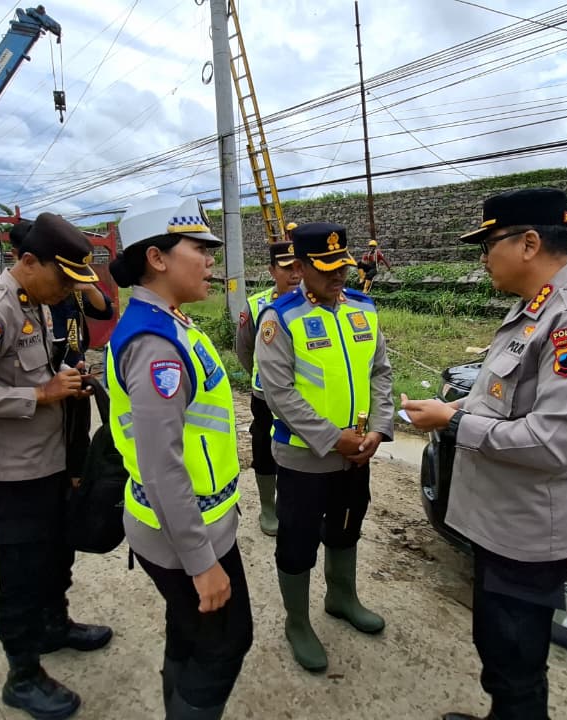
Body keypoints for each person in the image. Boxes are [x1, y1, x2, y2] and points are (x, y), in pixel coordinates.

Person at [401, 188, 567, 720]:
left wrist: (454, 421)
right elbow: (509, 394)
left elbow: (555, 441)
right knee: (500, 648)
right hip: (503, 522)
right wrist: (462, 403)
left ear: (529, 242)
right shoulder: (538, 306)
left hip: (529, 531)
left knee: (516, 658)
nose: (484, 257)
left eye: (489, 243)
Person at [0, 212, 114, 720]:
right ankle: (22, 672)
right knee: (22, 570)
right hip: (12, 473)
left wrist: (62, 374)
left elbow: (28, 366)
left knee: (57, 552)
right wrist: (41, 393)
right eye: (63, 278)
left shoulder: (33, 301)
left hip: (49, 460)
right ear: (29, 261)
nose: (68, 290)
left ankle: (54, 625)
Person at [106, 195, 252, 719]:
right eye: (201, 249)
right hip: (183, 533)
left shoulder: (171, 321)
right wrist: (201, 562)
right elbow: (161, 464)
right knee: (226, 644)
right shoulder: (154, 343)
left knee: (189, 633)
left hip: (198, 519)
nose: (212, 260)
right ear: (157, 258)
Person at [254, 222, 394, 673]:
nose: (339, 276)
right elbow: (279, 394)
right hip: (303, 458)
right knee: (297, 542)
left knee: (347, 527)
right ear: (299, 267)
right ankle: (297, 622)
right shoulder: (280, 318)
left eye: (343, 266)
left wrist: (378, 429)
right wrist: (333, 438)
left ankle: (342, 597)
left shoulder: (364, 308)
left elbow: (381, 372)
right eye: (327, 267)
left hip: (357, 455)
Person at [7, 219, 115, 481]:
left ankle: (78, 480)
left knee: (78, 432)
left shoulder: (71, 288)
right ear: (24, 259)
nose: (62, 285)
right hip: (42, 382)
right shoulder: (11, 305)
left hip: (73, 368)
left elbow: (105, 310)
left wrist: (88, 286)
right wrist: (42, 391)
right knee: (54, 437)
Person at [233, 240, 301, 536]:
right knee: (264, 447)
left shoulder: (315, 303)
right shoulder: (257, 306)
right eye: (286, 268)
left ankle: (298, 504)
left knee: (301, 448)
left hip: (305, 395)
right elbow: (244, 350)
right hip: (265, 398)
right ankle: (268, 508)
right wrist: (265, 380)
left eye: (299, 266)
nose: (295, 274)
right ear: (272, 270)